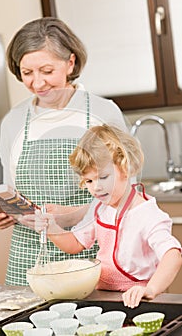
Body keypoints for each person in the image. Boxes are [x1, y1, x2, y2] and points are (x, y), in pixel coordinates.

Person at [0, 17, 128, 286]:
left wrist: (74, 215)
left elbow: (126, 197)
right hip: (28, 261)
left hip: (89, 257)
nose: (37, 83)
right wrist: (4, 211)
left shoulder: (102, 113)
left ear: (70, 63)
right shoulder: (13, 121)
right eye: (27, 73)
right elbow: (12, 190)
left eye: (47, 71)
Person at [33, 124, 182, 308]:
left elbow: (172, 255)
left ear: (126, 169)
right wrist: (52, 229)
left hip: (139, 300)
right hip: (103, 296)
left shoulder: (147, 214)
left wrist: (150, 290)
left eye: (103, 177)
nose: (96, 187)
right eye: (89, 180)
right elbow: (76, 244)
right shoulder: (100, 208)